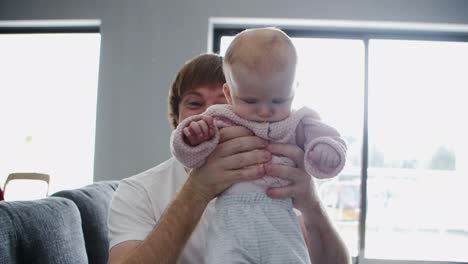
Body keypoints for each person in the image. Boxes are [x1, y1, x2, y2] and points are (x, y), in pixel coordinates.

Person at [107, 53, 350, 264]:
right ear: (177, 119)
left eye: (224, 105)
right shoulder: (139, 191)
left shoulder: (278, 172)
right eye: (194, 103)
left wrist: (311, 203)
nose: (209, 114)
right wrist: (197, 191)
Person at [170, 28, 346, 263]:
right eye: (250, 101)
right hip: (231, 220)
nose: (265, 111)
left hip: (279, 216)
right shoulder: (220, 118)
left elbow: (330, 140)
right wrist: (193, 137)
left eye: (279, 100)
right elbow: (187, 154)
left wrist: (327, 150)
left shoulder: (299, 121)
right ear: (230, 94)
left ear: (294, 91)